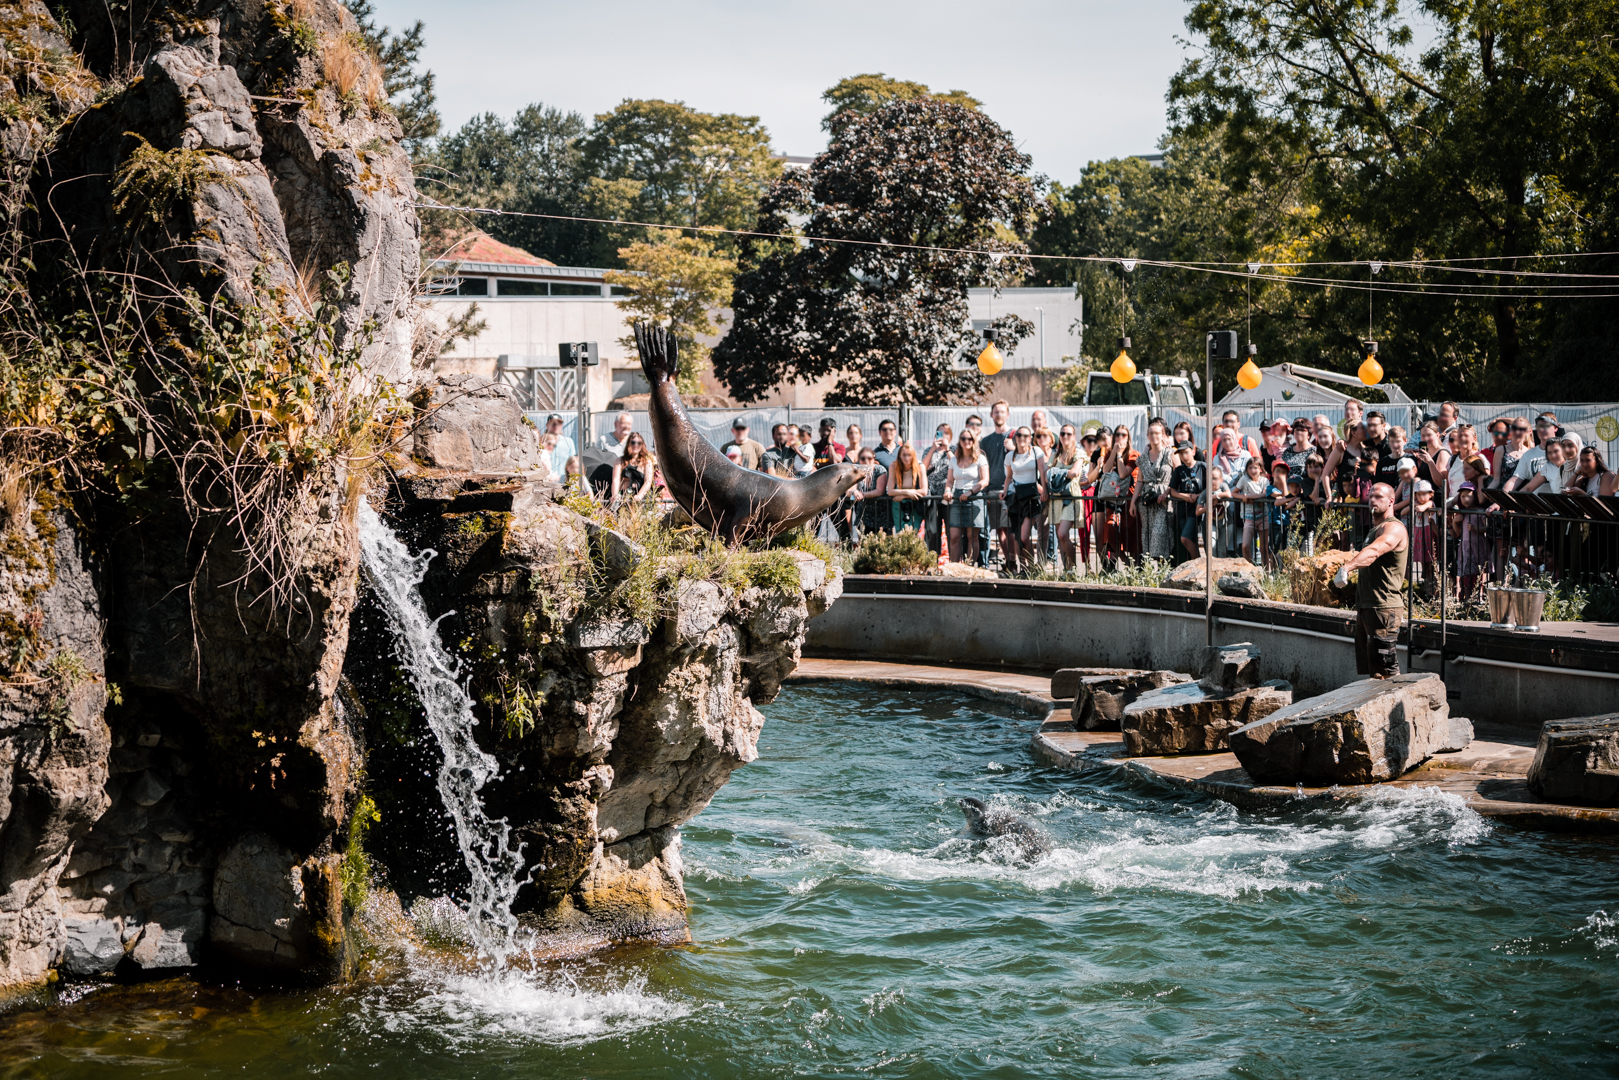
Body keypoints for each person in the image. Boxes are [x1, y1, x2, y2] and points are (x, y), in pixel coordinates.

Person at [1332, 482, 1409, 679]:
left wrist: (1347, 567)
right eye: (1371, 496)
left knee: (1387, 671)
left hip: (1384, 607)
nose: (1372, 500)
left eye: (1378, 497)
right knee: (1375, 673)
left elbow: (1374, 551)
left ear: (1391, 501)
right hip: (1368, 607)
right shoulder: (1375, 528)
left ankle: (1400, 708)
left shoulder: (1394, 528)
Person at [1089, 425, 1137, 568]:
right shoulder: (1102, 453)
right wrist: (1110, 455)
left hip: (1120, 498)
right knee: (1102, 537)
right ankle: (1107, 567)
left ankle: (1127, 565)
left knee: (1113, 534)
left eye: (1123, 435)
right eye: (1118, 434)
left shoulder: (1131, 454)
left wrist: (1118, 454)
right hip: (1103, 494)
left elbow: (1123, 474)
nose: (1120, 438)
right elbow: (1103, 471)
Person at [1002, 427, 1048, 574]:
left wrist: (1045, 490)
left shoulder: (1036, 452)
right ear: (1015, 437)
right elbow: (1009, 477)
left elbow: (1042, 473)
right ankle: (1024, 569)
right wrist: (1004, 492)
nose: (1021, 438)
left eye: (1025, 436)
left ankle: (1032, 567)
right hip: (1016, 497)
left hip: (1031, 496)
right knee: (1017, 537)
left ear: (1030, 438)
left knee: (1024, 536)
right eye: (1019, 435)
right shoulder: (1010, 456)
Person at [944, 430, 988, 565]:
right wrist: (947, 490)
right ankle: (954, 567)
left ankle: (969, 567)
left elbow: (985, 480)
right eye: (963, 438)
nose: (966, 441)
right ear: (959, 440)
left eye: (970, 439)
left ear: (974, 441)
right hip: (957, 496)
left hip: (974, 497)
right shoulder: (954, 459)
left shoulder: (980, 458)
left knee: (972, 536)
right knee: (954, 536)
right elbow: (950, 481)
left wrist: (970, 492)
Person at [1134, 418, 1176, 559]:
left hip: (1163, 499)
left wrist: (1167, 491)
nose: (1154, 436)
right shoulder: (1143, 458)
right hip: (1146, 499)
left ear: (1163, 435)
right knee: (1147, 533)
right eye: (1151, 433)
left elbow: (1177, 476)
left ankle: (1165, 566)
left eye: (1157, 433)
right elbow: (1139, 481)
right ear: (1147, 435)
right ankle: (1151, 570)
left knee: (1160, 532)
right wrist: (1133, 502)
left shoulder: (1170, 454)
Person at [981, 400, 1015, 568]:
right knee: (999, 530)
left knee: (1009, 529)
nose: (999, 414)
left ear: (1007, 414)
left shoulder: (1015, 436)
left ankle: (1014, 562)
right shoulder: (985, 441)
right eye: (996, 412)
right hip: (991, 490)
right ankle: (1008, 563)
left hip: (1008, 490)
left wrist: (1014, 447)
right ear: (991, 415)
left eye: (1002, 412)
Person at [1049, 425, 1085, 571]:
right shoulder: (1055, 455)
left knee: (1063, 534)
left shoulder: (1079, 453)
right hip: (1056, 498)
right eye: (1062, 434)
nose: (1065, 436)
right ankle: (1067, 570)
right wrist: (1063, 473)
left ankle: (1073, 568)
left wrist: (1055, 472)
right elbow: (1046, 475)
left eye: (1069, 434)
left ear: (1074, 436)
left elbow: (1075, 472)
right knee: (1060, 538)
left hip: (1071, 497)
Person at [1451, 482, 1490, 603]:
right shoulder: (1462, 513)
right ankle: (1467, 597)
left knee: (1480, 571)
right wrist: (1454, 522)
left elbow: (1487, 528)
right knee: (1466, 572)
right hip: (1465, 546)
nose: (1466, 499)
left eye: (1469, 496)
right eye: (1463, 496)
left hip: (1478, 545)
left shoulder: (1480, 511)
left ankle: (1480, 595)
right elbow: (1457, 533)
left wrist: (1475, 529)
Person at [922, 423, 955, 554]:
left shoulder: (954, 449)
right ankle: (932, 564)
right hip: (932, 497)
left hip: (948, 496)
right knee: (933, 532)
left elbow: (956, 465)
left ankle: (953, 564)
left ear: (950, 436)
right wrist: (932, 449)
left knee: (951, 532)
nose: (943, 436)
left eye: (946, 433)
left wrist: (947, 449)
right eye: (940, 433)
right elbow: (922, 468)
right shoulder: (929, 450)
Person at [1234, 457, 1273, 566]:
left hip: (1263, 517)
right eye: (1250, 468)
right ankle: (1251, 570)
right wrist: (1243, 497)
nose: (1252, 470)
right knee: (1245, 546)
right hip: (1249, 517)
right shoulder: (1244, 479)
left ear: (1260, 469)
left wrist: (1251, 496)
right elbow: (1234, 493)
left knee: (1263, 548)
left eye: (1255, 467)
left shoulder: (1265, 481)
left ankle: (1266, 573)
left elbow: (1265, 494)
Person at [1170, 443, 1205, 561]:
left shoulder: (1203, 466)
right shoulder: (1179, 470)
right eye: (1180, 453)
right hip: (1182, 509)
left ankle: (1198, 563)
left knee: (1185, 538)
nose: (1183, 456)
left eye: (1186, 452)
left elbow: (1211, 487)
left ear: (1193, 451)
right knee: (1190, 539)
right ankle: (1195, 566)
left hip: (1197, 510)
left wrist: (1198, 496)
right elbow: (1173, 491)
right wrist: (1184, 496)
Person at [845, 446, 888, 542]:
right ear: (859, 460)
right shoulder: (855, 472)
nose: (866, 461)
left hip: (881, 515)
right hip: (863, 516)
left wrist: (862, 494)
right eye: (863, 458)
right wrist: (854, 491)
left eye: (869, 458)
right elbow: (848, 491)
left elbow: (879, 491)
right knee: (865, 545)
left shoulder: (880, 470)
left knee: (881, 545)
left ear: (874, 458)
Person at [888, 442, 927, 533]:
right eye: (904, 455)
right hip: (899, 503)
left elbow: (924, 491)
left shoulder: (920, 466)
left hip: (914, 503)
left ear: (913, 456)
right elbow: (890, 491)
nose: (906, 458)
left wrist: (904, 496)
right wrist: (908, 492)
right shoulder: (894, 466)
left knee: (912, 532)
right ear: (900, 456)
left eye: (909, 455)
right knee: (900, 532)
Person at [610, 432, 656, 504]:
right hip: (624, 497)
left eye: (639, 443)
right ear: (628, 443)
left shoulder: (647, 461)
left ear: (642, 445)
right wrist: (615, 495)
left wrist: (639, 496)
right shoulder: (620, 461)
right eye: (633, 442)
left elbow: (648, 481)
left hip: (642, 497)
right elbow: (616, 479)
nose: (636, 445)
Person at [1412, 421, 1451, 502]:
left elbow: (1440, 483)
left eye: (1429, 435)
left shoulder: (1442, 453)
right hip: (1424, 499)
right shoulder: (1425, 452)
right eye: (1423, 435)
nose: (1426, 438)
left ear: (1437, 435)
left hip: (1438, 500)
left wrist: (1430, 463)